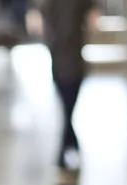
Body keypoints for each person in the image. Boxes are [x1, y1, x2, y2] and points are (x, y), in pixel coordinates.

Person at [35, 0, 100, 174]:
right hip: (62, 52)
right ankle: (70, 145)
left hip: (68, 52)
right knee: (67, 105)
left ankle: (65, 149)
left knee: (67, 105)